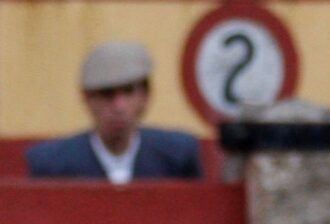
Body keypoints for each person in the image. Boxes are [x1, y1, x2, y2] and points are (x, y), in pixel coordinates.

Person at [23, 41, 201, 182]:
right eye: (107, 94)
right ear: (87, 99)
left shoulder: (177, 156)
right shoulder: (51, 164)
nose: (119, 107)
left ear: (145, 96)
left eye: (128, 92)